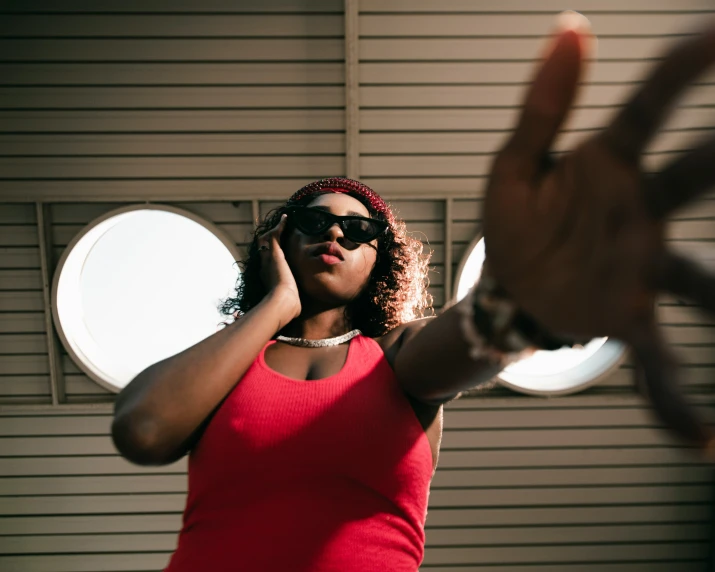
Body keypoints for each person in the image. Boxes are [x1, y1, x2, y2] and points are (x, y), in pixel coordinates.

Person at [111, 15, 715, 572]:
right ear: (277, 241)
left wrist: (522, 305)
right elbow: (142, 429)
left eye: (360, 229)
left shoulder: (396, 355)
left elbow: (465, 338)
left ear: (380, 260)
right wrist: (276, 307)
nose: (337, 235)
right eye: (314, 222)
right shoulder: (225, 363)